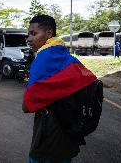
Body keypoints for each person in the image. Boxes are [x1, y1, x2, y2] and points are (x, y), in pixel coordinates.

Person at [23, 15, 97, 163]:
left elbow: (27, 106)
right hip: (69, 129)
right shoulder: (64, 54)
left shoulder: (44, 58)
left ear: (49, 34)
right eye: (28, 35)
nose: (29, 39)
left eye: (33, 33)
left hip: (49, 132)